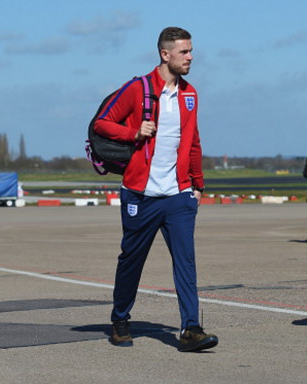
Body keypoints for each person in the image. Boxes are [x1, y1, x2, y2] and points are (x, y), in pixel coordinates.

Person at [94, 27, 218, 352]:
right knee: (131, 261)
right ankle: (120, 319)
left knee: (186, 262)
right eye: (184, 52)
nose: (191, 57)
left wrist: (198, 184)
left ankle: (190, 328)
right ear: (165, 54)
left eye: (191, 51)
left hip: (178, 196)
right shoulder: (138, 89)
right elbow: (102, 123)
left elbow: (193, 142)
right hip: (140, 194)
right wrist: (134, 133)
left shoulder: (190, 94)